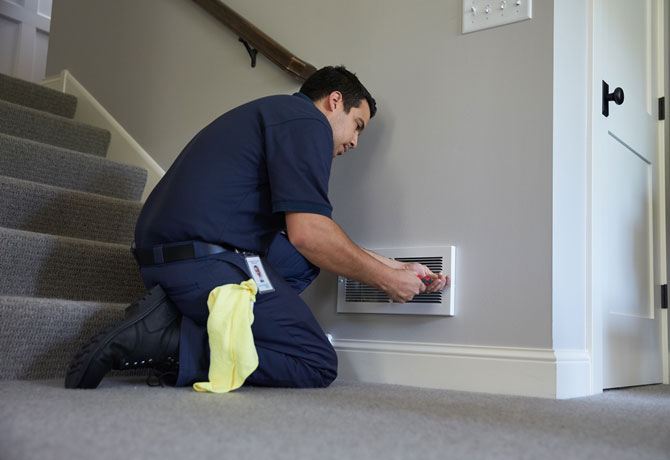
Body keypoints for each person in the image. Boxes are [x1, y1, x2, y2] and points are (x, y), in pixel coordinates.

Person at [65, 66, 449, 390]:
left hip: (169, 258)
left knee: (298, 260)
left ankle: (181, 316)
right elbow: (310, 234)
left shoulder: (276, 115)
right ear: (334, 102)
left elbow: (310, 233)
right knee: (315, 362)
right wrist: (385, 279)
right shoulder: (307, 124)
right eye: (357, 125)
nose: (354, 141)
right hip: (201, 262)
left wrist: (397, 268)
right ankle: (170, 342)